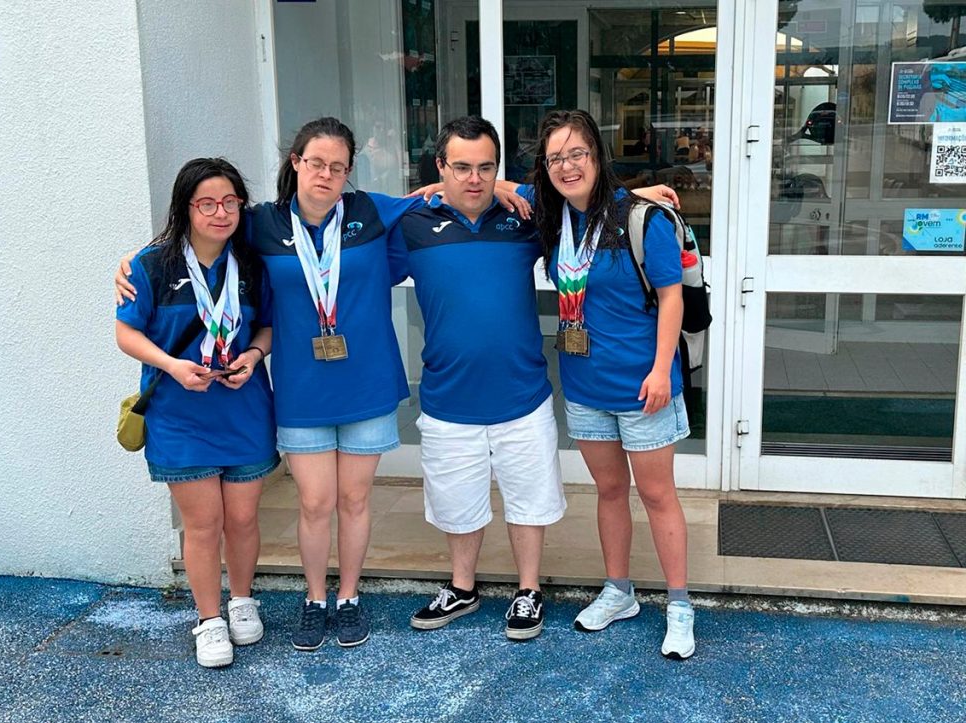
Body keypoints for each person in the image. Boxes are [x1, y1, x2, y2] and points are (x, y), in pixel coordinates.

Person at [116, 118, 528, 653]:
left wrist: (502, 186)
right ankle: (314, 599)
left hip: (367, 385)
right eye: (315, 163)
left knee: (354, 501)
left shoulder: (370, 212)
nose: (325, 175)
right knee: (314, 502)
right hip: (302, 389)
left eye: (338, 166)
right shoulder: (261, 223)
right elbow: (199, 231)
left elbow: (444, 190)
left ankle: (349, 596)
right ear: (296, 163)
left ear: (349, 170)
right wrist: (133, 262)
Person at [399, 116, 681, 642]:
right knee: (459, 502)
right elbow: (351, 225)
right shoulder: (412, 221)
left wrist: (633, 193)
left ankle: (531, 591)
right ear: (441, 167)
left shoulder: (526, 217)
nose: (475, 178)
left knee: (533, 498)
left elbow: (577, 194)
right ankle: (462, 587)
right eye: (461, 167)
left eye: (486, 167)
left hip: (528, 392)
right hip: (453, 394)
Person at [528, 109, 695, 659]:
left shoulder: (645, 221)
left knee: (657, 494)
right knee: (609, 491)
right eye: (555, 158)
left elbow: (671, 298)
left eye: (577, 153)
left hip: (645, 385)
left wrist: (662, 370)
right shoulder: (555, 220)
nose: (567, 166)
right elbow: (497, 189)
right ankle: (619, 591)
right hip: (585, 387)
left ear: (598, 155)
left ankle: (679, 604)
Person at [115, 158, 278, 668]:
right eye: (207, 203)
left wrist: (253, 356)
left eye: (230, 202)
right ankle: (209, 620)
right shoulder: (151, 267)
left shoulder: (251, 266)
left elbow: (266, 327)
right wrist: (171, 365)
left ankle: (242, 600)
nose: (220, 213)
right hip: (179, 415)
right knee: (203, 524)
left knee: (243, 518)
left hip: (243, 410)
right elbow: (126, 333)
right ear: (185, 208)